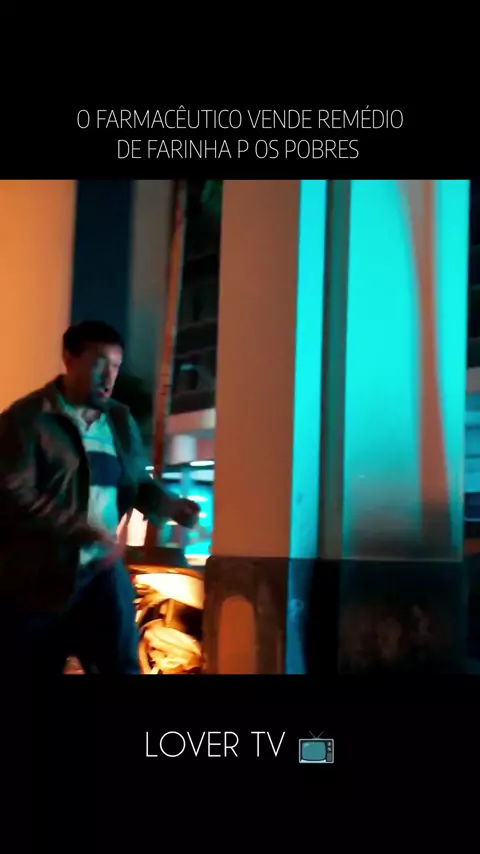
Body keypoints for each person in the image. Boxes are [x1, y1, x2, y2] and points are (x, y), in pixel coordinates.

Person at [0, 320, 199, 676]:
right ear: (69, 359)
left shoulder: (119, 421)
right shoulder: (26, 420)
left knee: (122, 665)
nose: (109, 378)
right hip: (40, 578)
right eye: (99, 365)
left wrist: (171, 506)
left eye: (116, 367)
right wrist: (83, 530)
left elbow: (137, 482)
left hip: (102, 573)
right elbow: (12, 493)